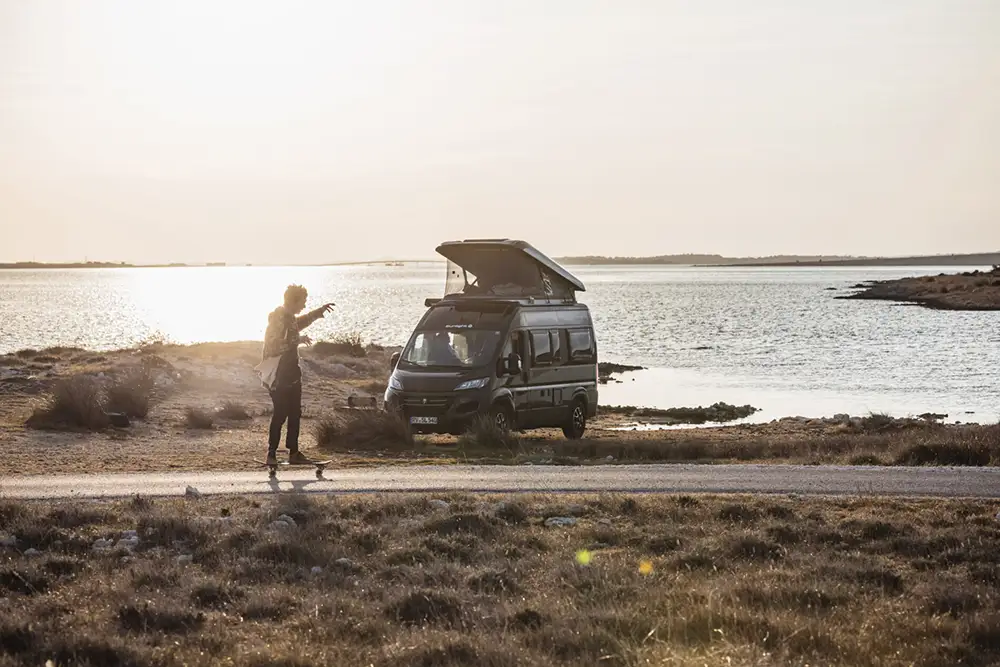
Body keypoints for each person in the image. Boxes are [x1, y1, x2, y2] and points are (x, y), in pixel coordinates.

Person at [260, 285, 334, 465]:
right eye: (302, 301)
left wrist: (318, 312)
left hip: (292, 374)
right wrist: (297, 340)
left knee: (294, 413)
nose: (304, 305)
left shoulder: (289, 318)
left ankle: (293, 453)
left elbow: (297, 324)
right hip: (279, 376)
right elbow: (274, 345)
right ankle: (272, 454)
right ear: (293, 301)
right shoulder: (278, 318)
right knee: (281, 414)